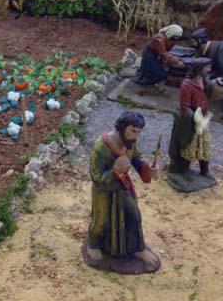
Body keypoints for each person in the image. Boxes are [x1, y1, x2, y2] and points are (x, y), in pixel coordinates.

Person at [85, 111, 160, 272]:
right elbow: (96, 177)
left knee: (134, 216)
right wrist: (114, 171)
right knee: (101, 221)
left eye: (139, 132)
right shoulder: (101, 146)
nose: (136, 136)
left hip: (122, 188)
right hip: (104, 191)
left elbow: (137, 159)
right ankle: (93, 244)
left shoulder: (129, 144)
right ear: (122, 128)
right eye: (133, 131)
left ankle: (136, 248)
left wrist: (148, 168)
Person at [167, 58, 214, 182]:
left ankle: (204, 170)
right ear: (200, 68)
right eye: (207, 67)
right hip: (191, 121)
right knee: (188, 146)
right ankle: (184, 170)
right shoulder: (187, 84)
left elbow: (206, 95)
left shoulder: (203, 80)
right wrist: (194, 118)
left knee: (204, 145)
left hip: (202, 119)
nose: (210, 69)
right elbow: (184, 106)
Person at [132, 24, 185, 92]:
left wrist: (175, 58)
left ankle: (157, 86)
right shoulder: (159, 40)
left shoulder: (166, 38)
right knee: (157, 72)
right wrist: (176, 61)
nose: (176, 39)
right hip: (150, 55)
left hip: (155, 54)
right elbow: (164, 54)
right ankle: (145, 84)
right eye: (175, 37)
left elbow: (165, 52)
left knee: (158, 70)